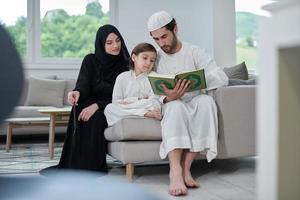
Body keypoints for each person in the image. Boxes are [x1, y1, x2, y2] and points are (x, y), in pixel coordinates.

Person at [147, 11, 228, 196]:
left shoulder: (195, 52)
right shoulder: (156, 58)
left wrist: (196, 82)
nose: (161, 43)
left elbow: (221, 77)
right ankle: (175, 170)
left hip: (195, 101)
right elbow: (150, 91)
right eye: (156, 39)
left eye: (164, 37)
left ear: (175, 29)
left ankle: (186, 168)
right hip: (172, 104)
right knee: (175, 107)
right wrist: (168, 98)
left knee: (207, 102)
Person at [42, 24, 129, 174]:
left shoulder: (126, 65)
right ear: (101, 44)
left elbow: (123, 98)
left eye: (118, 40)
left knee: (97, 117)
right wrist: (76, 92)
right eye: (109, 43)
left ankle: (93, 167)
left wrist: (97, 105)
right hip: (90, 103)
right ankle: (76, 163)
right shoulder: (90, 60)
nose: (115, 45)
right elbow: (83, 84)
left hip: (111, 106)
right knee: (79, 107)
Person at [104, 43, 161, 126]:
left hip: (139, 110)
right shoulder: (122, 77)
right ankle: (144, 113)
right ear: (134, 57)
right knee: (109, 108)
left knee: (154, 103)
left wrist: (128, 102)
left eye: (152, 60)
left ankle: (139, 113)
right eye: (145, 58)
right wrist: (139, 100)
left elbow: (154, 100)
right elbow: (116, 102)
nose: (148, 63)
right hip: (145, 112)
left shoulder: (154, 76)